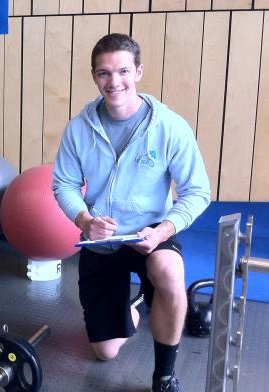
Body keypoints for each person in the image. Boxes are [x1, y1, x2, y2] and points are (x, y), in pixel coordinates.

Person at [52, 33, 211, 392]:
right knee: (105, 352)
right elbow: (62, 184)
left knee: (168, 270)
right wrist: (85, 221)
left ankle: (165, 376)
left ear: (138, 72)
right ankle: (137, 307)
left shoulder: (169, 126)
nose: (114, 82)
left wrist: (163, 231)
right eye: (104, 73)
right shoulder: (79, 129)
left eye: (123, 71)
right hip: (101, 240)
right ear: (95, 76)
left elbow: (198, 191)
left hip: (149, 234)